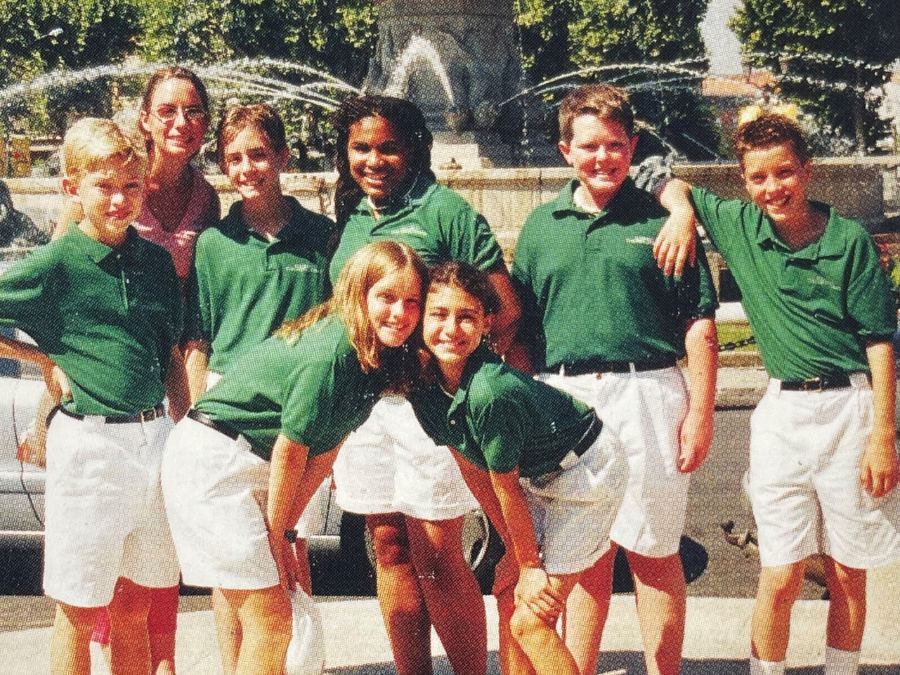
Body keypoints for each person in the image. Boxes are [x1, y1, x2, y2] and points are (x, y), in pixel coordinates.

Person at [654, 112, 900, 675]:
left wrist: (883, 436)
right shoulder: (740, 224)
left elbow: (880, 343)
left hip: (850, 410)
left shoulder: (849, 241)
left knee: (845, 569)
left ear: (807, 171)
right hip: (782, 413)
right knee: (781, 568)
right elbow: (659, 172)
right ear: (744, 181)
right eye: (758, 178)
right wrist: (682, 209)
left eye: (785, 173)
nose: (773, 188)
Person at [510, 83, 719, 675]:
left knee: (653, 551)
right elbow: (522, 335)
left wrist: (700, 414)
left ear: (633, 147)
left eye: (615, 145)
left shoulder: (663, 222)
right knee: (582, 554)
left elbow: (699, 327)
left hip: (648, 391)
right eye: (590, 146)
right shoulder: (539, 227)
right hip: (564, 399)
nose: (603, 158)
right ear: (565, 151)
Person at [161, 240, 427, 675]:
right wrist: (276, 532)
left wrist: (283, 536)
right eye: (387, 297)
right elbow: (291, 450)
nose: (400, 313)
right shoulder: (332, 352)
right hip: (215, 461)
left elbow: (325, 452)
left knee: (270, 618)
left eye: (411, 302)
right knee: (270, 620)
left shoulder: (374, 357)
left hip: (247, 466)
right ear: (358, 295)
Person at [328, 94, 520, 675]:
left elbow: (504, 309)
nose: (374, 159)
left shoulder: (445, 212)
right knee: (388, 550)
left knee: (440, 557)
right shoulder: (353, 215)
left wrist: (463, 378)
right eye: (361, 147)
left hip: (428, 409)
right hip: (365, 409)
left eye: (388, 147)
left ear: (414, 149)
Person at [0, 117, 188, 675]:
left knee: (134, 603)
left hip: (154, 439)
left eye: (131, 187)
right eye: (104, 186)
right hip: (90, 447)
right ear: (71, 189)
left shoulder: (155, 262)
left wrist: (186, 429)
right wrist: (44, 360)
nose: (118, 199)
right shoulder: (55, 265)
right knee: (80, 609)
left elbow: (170, 356)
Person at [64, 66, 220, 675]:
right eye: (168, 111)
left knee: (160, 553)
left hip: (174, 375)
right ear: (146, 118)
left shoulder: (208, 196)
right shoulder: (117, 181)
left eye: (194, 111)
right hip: (111, 387)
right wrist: (60, 372)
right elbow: (70, 272)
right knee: (106, 571)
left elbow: (199, 314)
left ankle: (162, 665)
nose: (182, 123)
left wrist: (192, 410)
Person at [407, 261, 627, 675]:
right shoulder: (425, 387)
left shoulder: (490, 391)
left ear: (487, 322)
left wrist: (529, 564)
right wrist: (513, 550)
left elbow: (506, 487)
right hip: (540, 475)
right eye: (439, 314)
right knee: (510, 589)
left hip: (587, 473)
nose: (451, 328)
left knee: (531, 620)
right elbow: (472, 468)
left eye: (466, 317)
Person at [182, 102, 334, 673]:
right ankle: (237, 664)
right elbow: (198, 339)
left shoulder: (320, 236)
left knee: (287, 540)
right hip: (228, 410)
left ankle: (299, 661)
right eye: (234, 158)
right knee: (232, 557)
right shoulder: (213, 244)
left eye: (258, 155)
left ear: (282, 158)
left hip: (293, 408)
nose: (247, 168)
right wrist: (197, 414)